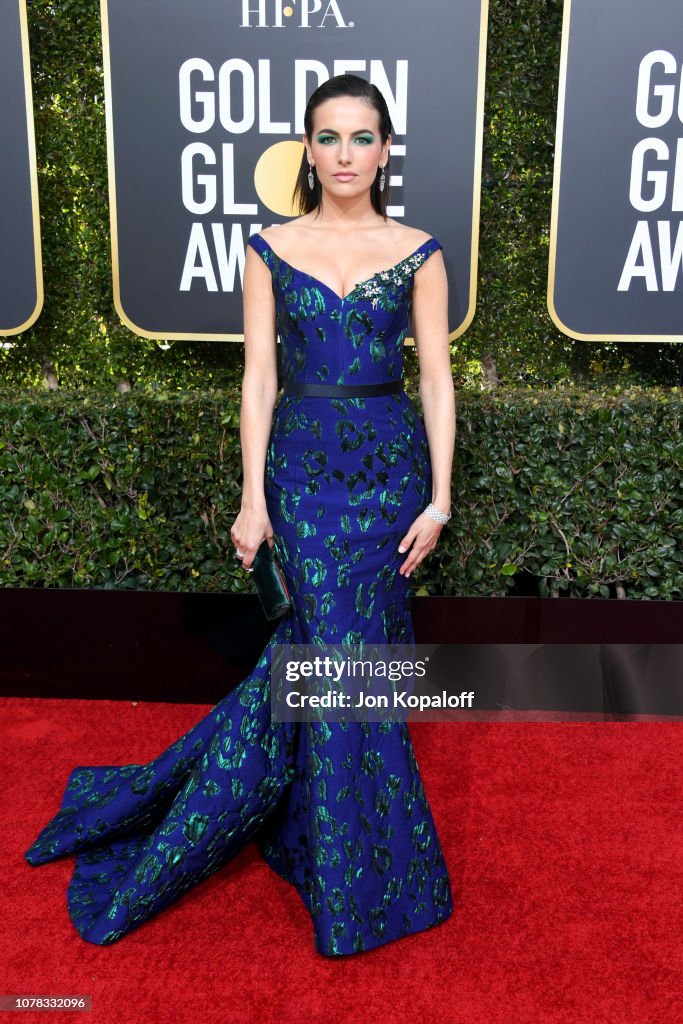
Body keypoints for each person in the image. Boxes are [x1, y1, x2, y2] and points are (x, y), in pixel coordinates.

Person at [24, 74, 456, 957]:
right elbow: (257, 379)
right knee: (325, 651)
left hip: (387, 473)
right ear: (306, 148)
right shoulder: (268, 248)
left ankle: (324, 837)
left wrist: (441, 498)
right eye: (328, 137)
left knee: (349, 653)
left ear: (384, 150)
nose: (344, 155)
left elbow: (437, 380)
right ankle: (338, 861)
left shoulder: (419, 248)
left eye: (361, 137)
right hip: (301, 474)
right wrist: (253, 498)